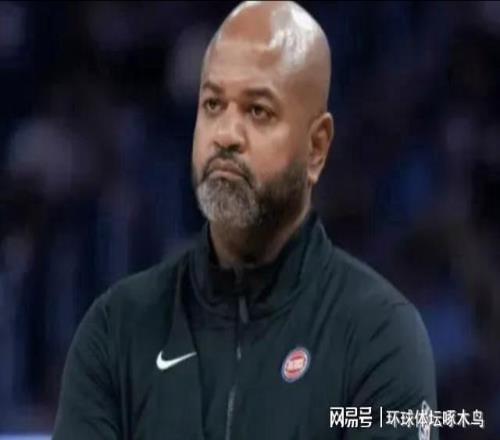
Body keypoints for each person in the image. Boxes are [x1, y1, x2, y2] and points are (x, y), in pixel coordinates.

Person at [53, 2, 438, 439]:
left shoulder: (380, 335)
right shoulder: (116, 330)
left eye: (258, 111)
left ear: (316, 148)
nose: (226, 135)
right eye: (212, 105)